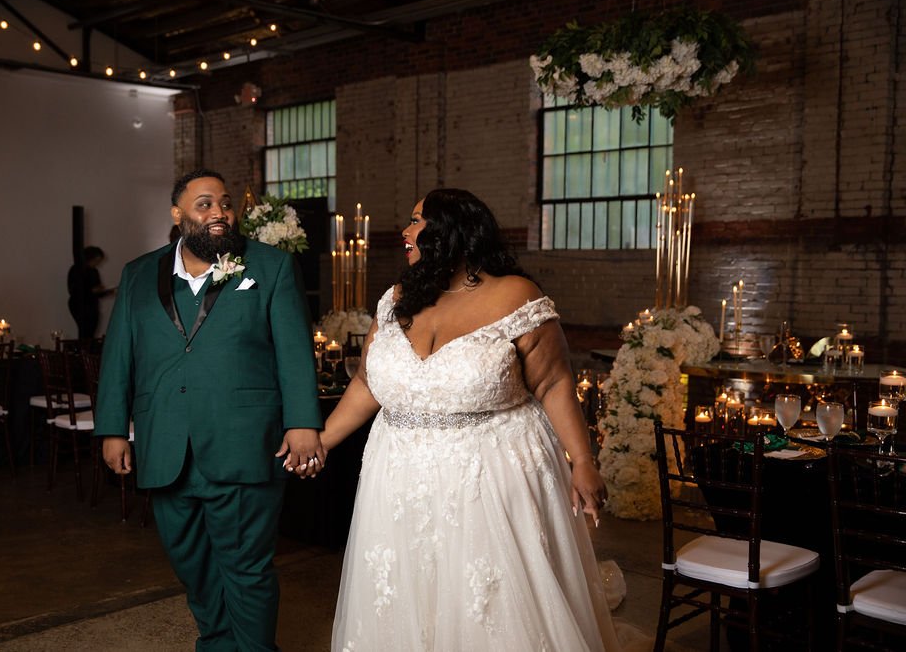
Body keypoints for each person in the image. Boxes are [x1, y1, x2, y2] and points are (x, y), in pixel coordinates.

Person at [291, 188, 622, 650]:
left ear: (455, 231)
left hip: (489, 474)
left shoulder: (515, 295)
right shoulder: (398, 298)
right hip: (398, 476)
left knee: (487, 602)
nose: (406, 232)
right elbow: (368, 383)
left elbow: (552, 383)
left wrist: (582, 461)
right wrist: (322, 439)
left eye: (417, 221)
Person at [96, 168, 325, 651]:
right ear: (177, 214)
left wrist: (303, 422)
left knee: (245, 566)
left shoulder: (272, 266)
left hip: (243, 442)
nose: (218, 212)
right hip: (166, 447)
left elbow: (293, 352)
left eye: (224, 203)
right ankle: (218, 644)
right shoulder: (139, 273)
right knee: (192, 565)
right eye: (204, 204)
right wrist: (113, 428)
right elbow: (119, 354)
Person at [67, 245, 113, 339]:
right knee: (85, 331)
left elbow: (98, 292)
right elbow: (73, 290)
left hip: (92, 305)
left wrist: (109, 292)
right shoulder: (76, 269)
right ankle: (84, 350)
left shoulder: (94, 271)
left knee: (91, 332)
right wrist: (92, 290)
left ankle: (88, 350)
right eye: (97, 260)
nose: (98, 263)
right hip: (79, 305)